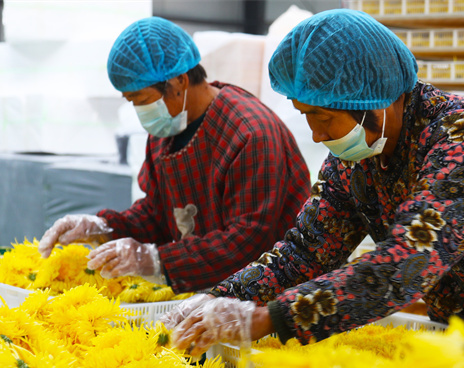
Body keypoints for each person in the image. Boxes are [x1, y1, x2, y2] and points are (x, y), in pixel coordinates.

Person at [163, 9, 464, 360]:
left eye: (324, 116)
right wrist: (222, 299)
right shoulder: (355, 163)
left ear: (377, 101)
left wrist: (269, 319)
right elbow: (305, 252)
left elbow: (406, 263)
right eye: (307, 117)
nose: (317, 135)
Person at [38, 17, 311, 293]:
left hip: (277, 296)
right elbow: (157, 214)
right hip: (210, 294)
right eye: (131, 102)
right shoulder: (165, 131)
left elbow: (246, 241)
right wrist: (104, 227)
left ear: (179, 81)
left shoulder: (250, 133)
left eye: (142, 101)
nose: (140, 113)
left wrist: (155, 261)